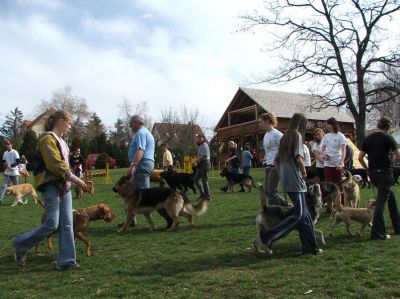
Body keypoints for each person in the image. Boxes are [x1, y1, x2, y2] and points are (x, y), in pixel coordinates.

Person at [12, 110, 87, 269]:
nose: (70, 126)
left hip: (64, 186)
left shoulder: (63, 142)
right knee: (52, 224)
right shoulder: (47, 139)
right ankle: (21, 244)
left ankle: (66, 261)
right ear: (60, 121)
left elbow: (65, 165)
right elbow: (55, 164)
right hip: (52, 185)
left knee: (67, 224)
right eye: (69, 122)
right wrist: (76, 180)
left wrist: (72, 182)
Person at [254, 113, 321, 256]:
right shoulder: (296, 135)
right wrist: (304, 171)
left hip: (287, 179)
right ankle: (269, 236)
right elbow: (298, 157)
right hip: (296, 180)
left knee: (306, 217)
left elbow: (277, 161)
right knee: (299, 215)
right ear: (301, 123)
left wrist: (282, 175)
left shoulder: (284, 137)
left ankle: (310, 248)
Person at [358, 117, 400, 240]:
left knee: (391, 198)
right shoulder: (388, 138)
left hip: (373, 174)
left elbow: (360, 157)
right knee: (380, 204)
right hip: (385, 174)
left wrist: (367, 169)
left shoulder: (368, 139)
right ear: (387, 127)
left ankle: (398, 227)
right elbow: (398, 156)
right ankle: (378, 233)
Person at [259, 112, 288, 206]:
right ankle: (287, 206)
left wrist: (278, 162)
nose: (259, 124)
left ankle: (275, 213)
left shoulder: (277, 134)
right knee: (268, 191)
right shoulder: (266, 135)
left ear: (267, 121)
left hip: (276, 166)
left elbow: (284, 150)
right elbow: (268, 150)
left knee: (272, 191)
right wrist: (264, 158)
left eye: (261, 122)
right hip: (268, 165)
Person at [321, 117, 347, 187]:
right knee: (328, 184)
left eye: (328, 124)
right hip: (328, 164)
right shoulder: (326, 136)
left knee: (338, 184)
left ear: (333, 125)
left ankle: (340, 197)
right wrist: (325, 155)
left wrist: (341, 163)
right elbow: (322, 149)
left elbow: (343, 150)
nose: (326, 126)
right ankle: (329, 198)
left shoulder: (340, 136)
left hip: (337, 163)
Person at [0, 140, 20, 205]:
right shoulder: (5, 153)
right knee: (4, 186)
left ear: (12, 144)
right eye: (6, 144)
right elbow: (3, 161)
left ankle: (19, 200)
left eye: (8, 144)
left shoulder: (15, 152)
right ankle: (0, 200)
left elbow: (18, 161)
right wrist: (4, 166)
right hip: (7, 173)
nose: (7, 145)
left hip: (14, 173)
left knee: (16, 187)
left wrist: (11, 165)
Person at [193, 134, 211, 200]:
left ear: (203, 138)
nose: (199, 138)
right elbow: (199, 156)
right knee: (196, 179)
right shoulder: (201, 146)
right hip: (201, 164)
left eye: (201, 137)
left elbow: (203, 156)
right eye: (198, 137)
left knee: (204, 181)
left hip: (205, 164)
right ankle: (202, 194)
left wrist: (195, 161)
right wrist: (197, 161)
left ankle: (208, 197)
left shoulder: (205, 145)